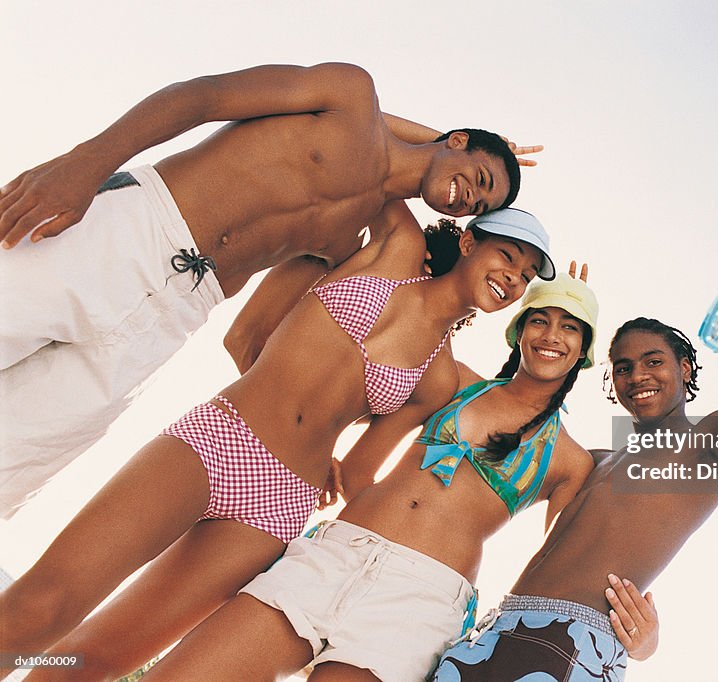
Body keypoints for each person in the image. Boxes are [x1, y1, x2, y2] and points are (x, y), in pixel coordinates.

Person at [0, 201, 553, 681]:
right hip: (223, 436)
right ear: (469, 237)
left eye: (526, 274)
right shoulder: (396, 247)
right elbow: (372, 150)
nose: (513, 277)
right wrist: (479, 159)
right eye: (507, 255)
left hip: (280, 503)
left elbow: (362, 470)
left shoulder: (438, 379)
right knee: (47, 604)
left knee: (100, 659)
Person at [0, 61, 534, 517]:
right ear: (457, 142)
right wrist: (85, 164)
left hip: (178, 311)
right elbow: (203, 97)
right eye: (480, 180)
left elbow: (255, 341)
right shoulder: (352, 99)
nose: (469, 199)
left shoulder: (354, 239)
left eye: (481, 207)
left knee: (22, 450)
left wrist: (310, 434)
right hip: (136, 228)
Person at [136, 270, 600, 682]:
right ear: (519, 330)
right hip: (338, 552)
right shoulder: (456, 381)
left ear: (584, 349)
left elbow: (556, 578)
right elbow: (362, 450)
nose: (551, 335)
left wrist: (640, 641)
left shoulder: (569, 461)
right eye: (540, 319)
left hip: (420, 602)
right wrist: (318, 460)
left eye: (570, 327)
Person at [434, 311, 718, 681]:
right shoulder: (589, 461)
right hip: (495, 628)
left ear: (685, 369)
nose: (637, 376)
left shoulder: (708, 439)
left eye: (654, 362)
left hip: (571, 639)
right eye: (623, 367)